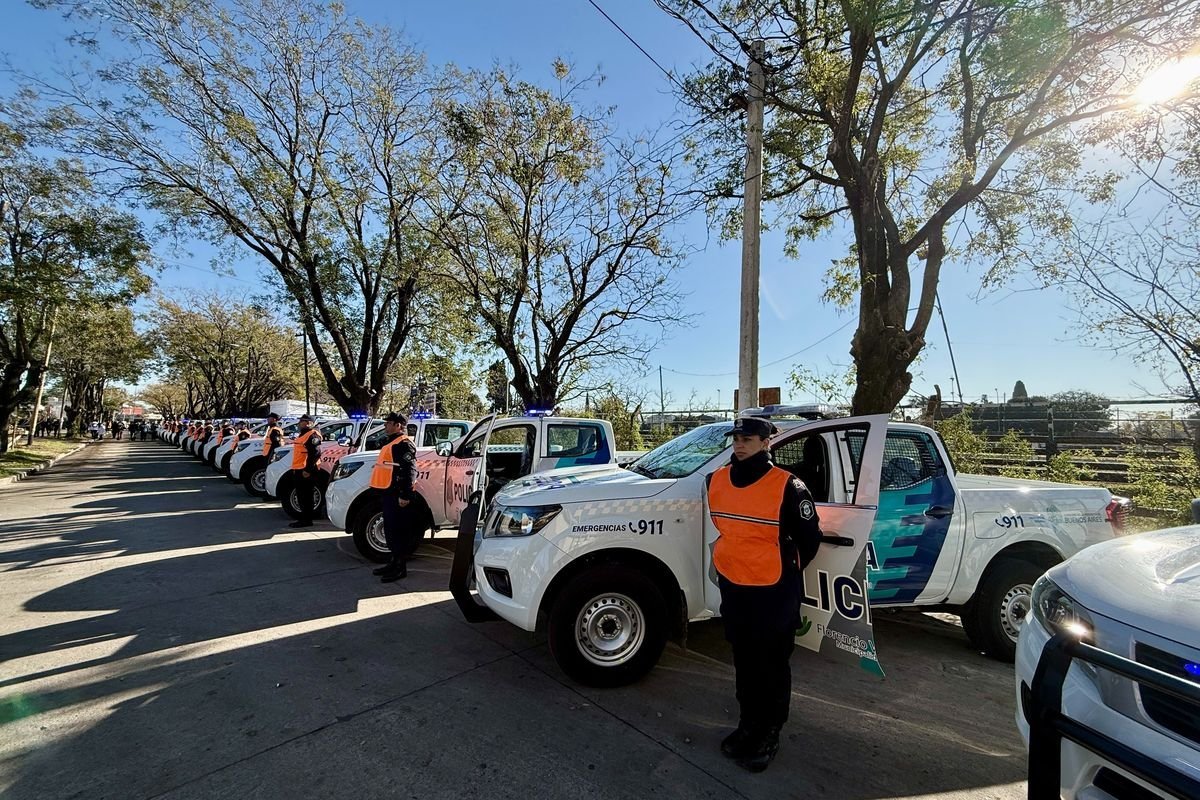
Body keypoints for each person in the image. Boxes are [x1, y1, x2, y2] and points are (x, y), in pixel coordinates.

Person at [707, 416, 823, 773]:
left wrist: (785, 571)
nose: (740, 443)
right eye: (737, 438)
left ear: (766, 442)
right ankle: (748, 726)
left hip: (773, 590)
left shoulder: (788, 486)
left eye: (749, 438)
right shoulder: (718, 479)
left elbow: (809, 540)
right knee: (744, 659)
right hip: (734, 585)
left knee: (771, 664)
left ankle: (769, 732)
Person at [368, 412, 419, 582]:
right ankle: (393, 562)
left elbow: (410, 470)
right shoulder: (392, 442)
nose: (385, 426)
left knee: (398, 532)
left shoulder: (403, 444)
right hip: (388, 492)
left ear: (398, 425)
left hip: (398, 494)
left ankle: (400, 568)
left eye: (388, 423)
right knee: (390, 531)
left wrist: (405, 495)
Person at [288, 414, 323, 528]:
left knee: (305, 496)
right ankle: (306, 518)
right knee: (302, 496)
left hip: (306, 470)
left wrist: (308, 470)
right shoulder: (303, 434)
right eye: (301, 421)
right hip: (300, 468)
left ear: (309, 423)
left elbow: (316, 453)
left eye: (303, 421)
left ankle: (306, 520)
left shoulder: (312, 435)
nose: (300, 423)